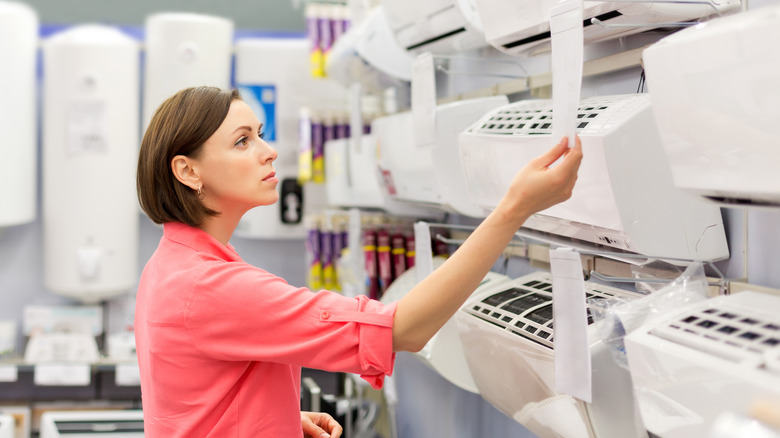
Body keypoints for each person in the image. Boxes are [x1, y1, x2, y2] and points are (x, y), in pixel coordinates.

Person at [135, 86, 582, 438]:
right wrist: (512, 211)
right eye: (242, 141)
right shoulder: (214, 287)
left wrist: (271, 418)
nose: (268, 151)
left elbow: (196, 401)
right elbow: (403, 329)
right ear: (187, 171)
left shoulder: (171, 264)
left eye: (261, 133)